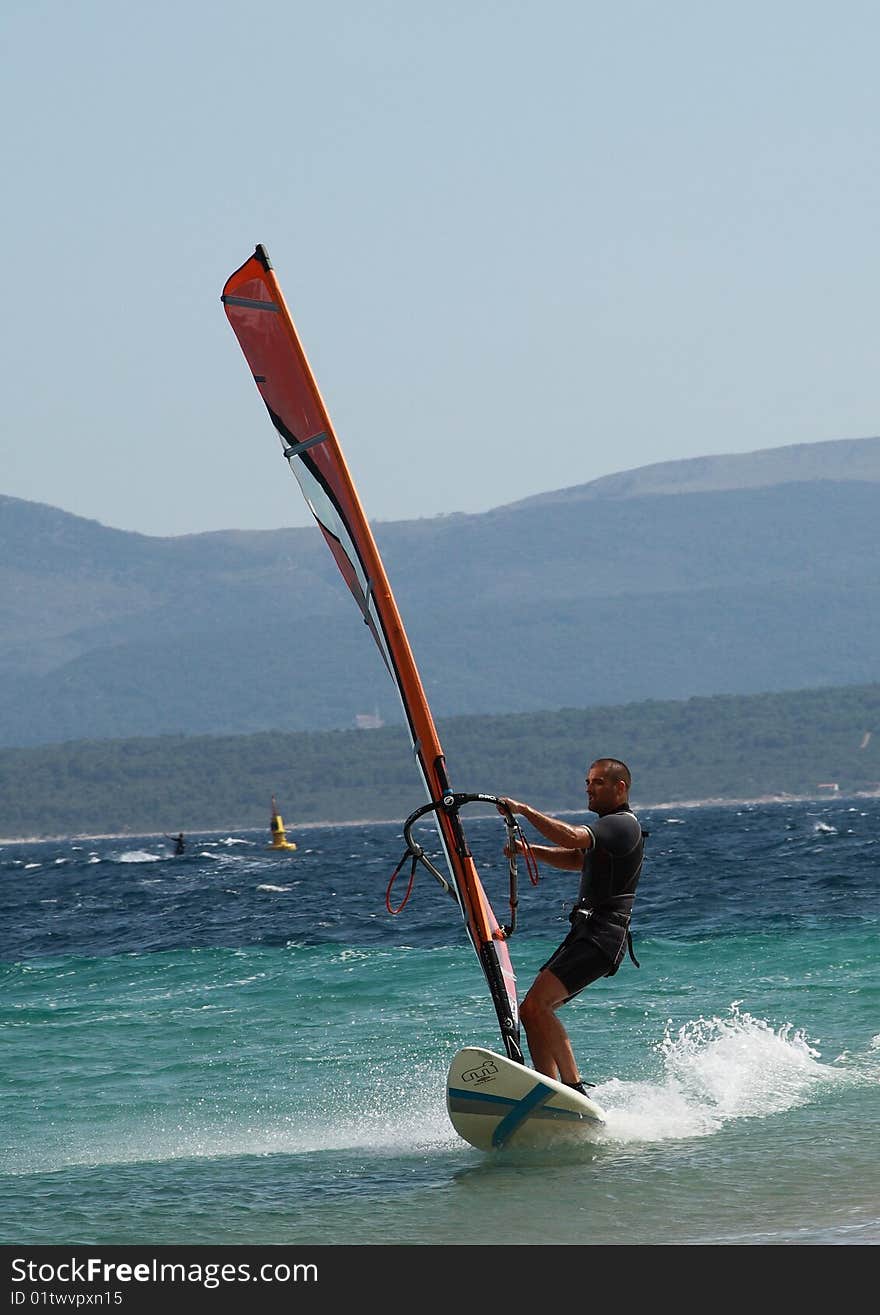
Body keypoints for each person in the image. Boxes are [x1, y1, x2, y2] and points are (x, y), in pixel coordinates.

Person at [498, 758, 645, 1093]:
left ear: (619, 787)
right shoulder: (610, 831)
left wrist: (524, 811)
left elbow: (572, 837)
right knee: (531, 1010)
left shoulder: (621, 825)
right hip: (588, 934)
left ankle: (572, 1086)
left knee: (537, 1006)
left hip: (601, 937)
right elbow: (578, 860)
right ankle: (550, 1089)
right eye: (587, 782)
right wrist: (529, 851)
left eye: (597, 783)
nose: (589, 789)